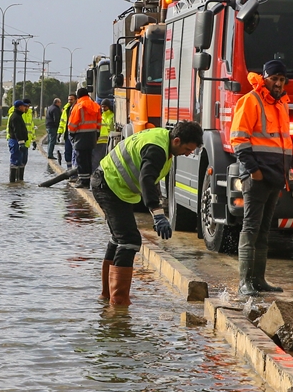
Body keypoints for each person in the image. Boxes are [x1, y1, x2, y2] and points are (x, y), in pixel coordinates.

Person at [92, 120, 203, 306]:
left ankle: (107, 296)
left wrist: (156, 209)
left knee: (119, 238)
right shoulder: (157, 149)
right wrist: (158, 213)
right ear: (176, 141)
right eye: (187, 149)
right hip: (108, 185)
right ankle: (118, 304)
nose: (188, 154)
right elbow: (146, 178)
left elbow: (152, 182)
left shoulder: (163, 143)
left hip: (113, 185)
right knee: (129, 240)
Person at [230, 60, 293, 297]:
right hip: (257, 177)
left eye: (281, 79)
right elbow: (238, 139)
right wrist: (254, 171)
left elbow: (284, 142)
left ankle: (259, 280)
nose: (277, 83)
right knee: (251, 228)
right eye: (274, 79)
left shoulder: (282, 104)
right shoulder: (250, 101)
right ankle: (245, 282)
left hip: (275, 176)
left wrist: (286, 173)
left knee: (264, 231)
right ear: (265, 79)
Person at [68, 87, 101, 187]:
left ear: (78, 95)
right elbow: (99, 121)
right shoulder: (95, 106)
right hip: (92, 135)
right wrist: (97, 133)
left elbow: (73, 123)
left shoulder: (78, 106)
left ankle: (83, 181)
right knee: (88, 158)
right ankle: (88, 180)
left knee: (81, 159)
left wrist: (71, 133)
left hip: (80, 136)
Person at [7, 99, 29, 182]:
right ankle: (13, 182)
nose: (25, 108)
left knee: (20, 162)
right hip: (15, 141)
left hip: (18, 141)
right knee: (15, 161)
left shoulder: (18, 116)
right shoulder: (15, 117)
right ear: (20, 107)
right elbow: (17, 131)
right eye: (24, 106)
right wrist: (20, 142)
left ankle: (19, 181)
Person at [92, 97, 115, 172]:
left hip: (108, 141)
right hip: (100, 141)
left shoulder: (112, 116)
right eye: (102, 106)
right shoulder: (101, 116)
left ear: (108, 106)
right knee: (96, 160)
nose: (103, 108)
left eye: (104, 106)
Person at [58, 95, 75, 166]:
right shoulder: (66, 109)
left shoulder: (78, 108)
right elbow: (62, 122)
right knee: (67, 151)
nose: (69, 101)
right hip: (67, 133)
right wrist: (59, 133)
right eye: (68, 99)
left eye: (71, 99)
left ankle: (75, 170)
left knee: (75, 152)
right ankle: (69, 169)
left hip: (76, 134)